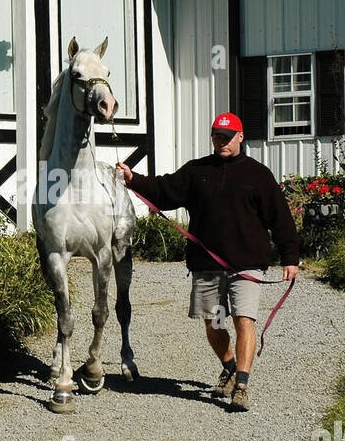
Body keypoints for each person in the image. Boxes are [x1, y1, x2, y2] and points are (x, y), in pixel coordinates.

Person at [115, 113, 300, 412]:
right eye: (217, 136)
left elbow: (281, 218)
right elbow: (164, 191)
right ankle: (228, 364)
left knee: (244, 320)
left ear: (240, 137)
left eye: (227, 136)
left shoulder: (258, 175)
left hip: (246, 266)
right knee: (214, 324)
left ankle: (241, 384)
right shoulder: (197, 171)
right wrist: (133, 179)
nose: (222, 141)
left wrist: (290, 257)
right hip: (207, 266)